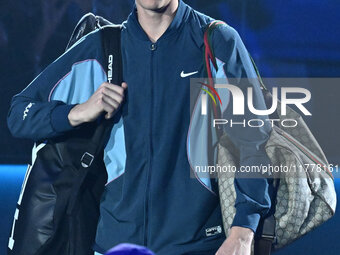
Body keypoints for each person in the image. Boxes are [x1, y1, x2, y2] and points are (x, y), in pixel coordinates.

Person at [7, 0, 272, 254]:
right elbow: (19, 114)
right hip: (114, 245)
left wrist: (242, 231)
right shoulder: (103, 47)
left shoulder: (216, 42)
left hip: (196, 245)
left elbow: (253, 140)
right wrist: (78, 112)